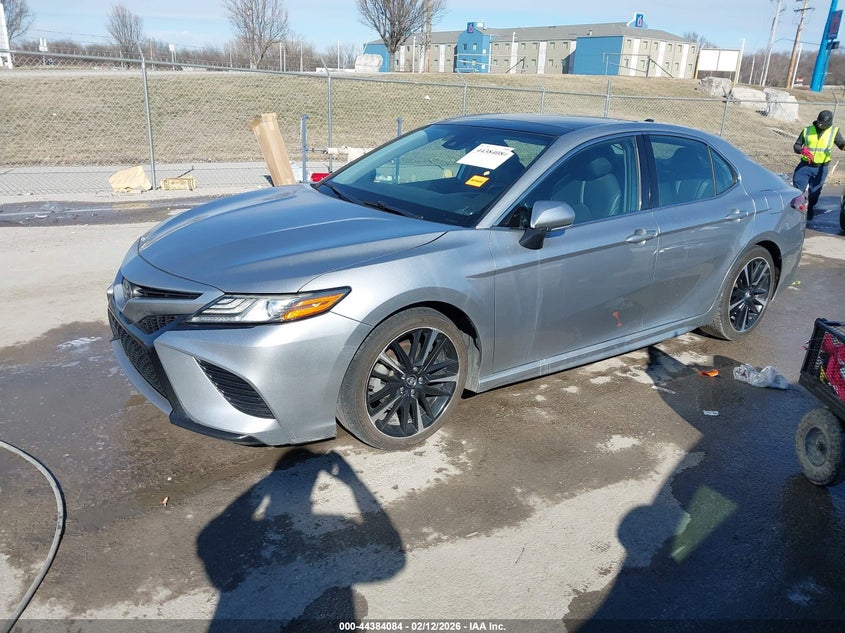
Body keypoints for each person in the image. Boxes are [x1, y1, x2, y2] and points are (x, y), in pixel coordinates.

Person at [792, 109, 845, 220]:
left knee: (815, 192)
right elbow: (796, 145)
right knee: (797, 190)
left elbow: (841, 144)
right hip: (805, 166)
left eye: (826, 125)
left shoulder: (833, 131)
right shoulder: (807, 130)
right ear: (817, 121)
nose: (823, 126)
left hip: (821, 167)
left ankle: (810, 207)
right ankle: (795, 211)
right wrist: (801, 150)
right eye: (821, 124)